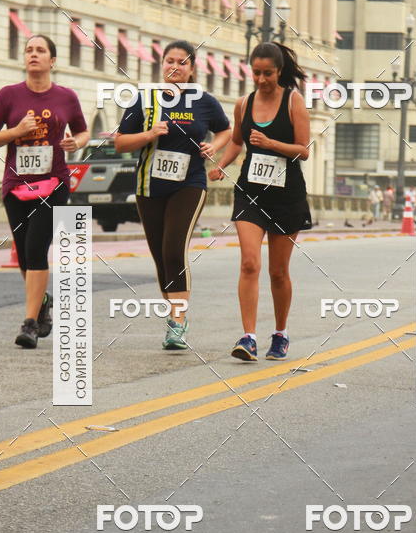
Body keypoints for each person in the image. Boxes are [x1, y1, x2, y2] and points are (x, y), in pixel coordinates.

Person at [115, 40, 231, 349]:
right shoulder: (145, 99)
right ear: (162, 64)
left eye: (182, 62)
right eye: (169, 61)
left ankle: (177, 323)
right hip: (149, 186)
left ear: (192, 69)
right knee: (159, 257)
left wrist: (214, 147)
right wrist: (149, 134)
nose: (174, 67)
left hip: (189, 183)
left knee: (173, 250)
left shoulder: (204, 101)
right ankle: (173, 315)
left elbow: (226, 130)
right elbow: (120, 142)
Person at [0, 35, 88, 349]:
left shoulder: (66, 97)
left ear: (52, 61)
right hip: (16, 186)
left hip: (54, 184)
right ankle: (42, 301)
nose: (33, 54)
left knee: (36, 247)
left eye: (40, 50)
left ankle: (29, 324)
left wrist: (76, 143)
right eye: (29, 50)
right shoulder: (8, 95)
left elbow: (82, 130)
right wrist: (16, 132)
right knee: (25, 257)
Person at [208, 42, 311, 361]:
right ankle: (248, 337)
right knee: (249, 262)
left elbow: (303, 150)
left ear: (280, 72)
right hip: (251, 192)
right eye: (256, 72)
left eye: (268, 73)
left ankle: (280, 335)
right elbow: (237, 142)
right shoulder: (243, 103)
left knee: (278, 272)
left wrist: (270, 143)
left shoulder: (294, 102)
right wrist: (222, 164)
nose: (262, 79)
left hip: (286, 195)